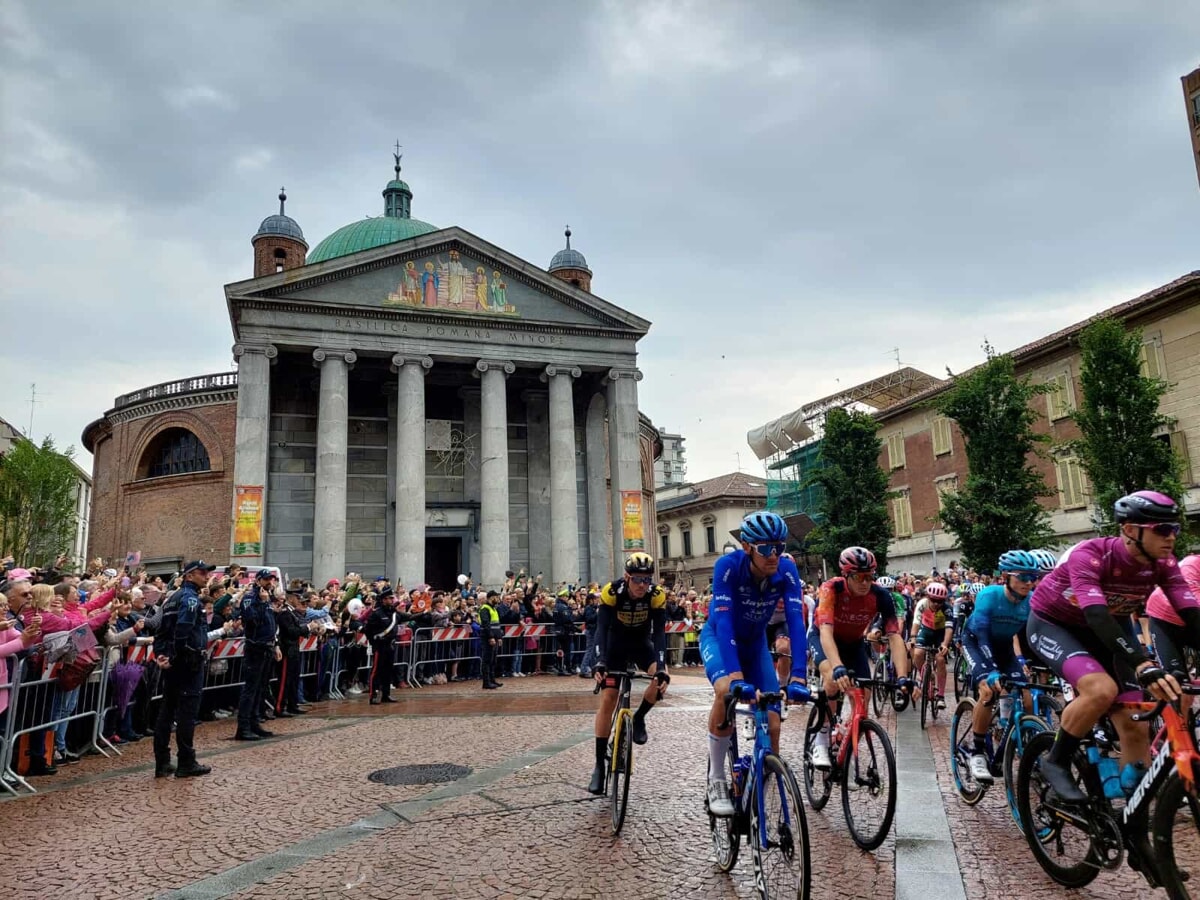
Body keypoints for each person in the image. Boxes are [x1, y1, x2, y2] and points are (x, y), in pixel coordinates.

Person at [1026, 491, 1200, 802]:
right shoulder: (1091, 555)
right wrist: (1142, 663)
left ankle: (1134, 817)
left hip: (1112, 628)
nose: (1171, 537)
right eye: (1162, 529)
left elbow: (1192, 614)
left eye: (1175, 529)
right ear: (1131, 530)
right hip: (1056, 624)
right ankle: (1056, 761)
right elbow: (1096, 614)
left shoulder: (1164, 563)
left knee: (1136, 721)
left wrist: (1139, 662)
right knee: (1101, 690)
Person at [699, 512, 811, 816]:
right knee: (725, 691)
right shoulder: (728, 567)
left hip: (756, 644)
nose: (773, 554)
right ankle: (717, 779)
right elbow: (722, 621)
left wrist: (798, 678)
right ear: (747, 547)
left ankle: (766, 774)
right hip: (721, 638)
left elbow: (796, 624)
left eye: (779, 546)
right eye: (765, 548)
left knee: (773, 721)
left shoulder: (786, 570)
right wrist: (735, 676)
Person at [809, 546, 910, 770]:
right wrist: (836, 667)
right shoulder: (831, 588)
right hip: (824, 638)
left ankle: (846, 732)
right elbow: (825, 632)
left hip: (853, 643)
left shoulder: (880, 595)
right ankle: (821, 738)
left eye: (869, 576)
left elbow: (894, 636)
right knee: (832, 681)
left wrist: (903, 677)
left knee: (863, 697)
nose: (865, 582)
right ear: (846, 575)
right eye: (859, 577)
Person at [587, 553, 671, 795]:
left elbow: (659, 636)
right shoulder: (611, 592)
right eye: (637, 580)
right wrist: (600, 662)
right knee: (609, 699)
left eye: (647, 580)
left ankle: (639, 717)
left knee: (661, 679)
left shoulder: (656, 596)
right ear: (627, 577)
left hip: (641, 644)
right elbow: (600, 630)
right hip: (614, 646)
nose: (642, 585)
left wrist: (662, 667)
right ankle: (599, 766)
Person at [959, 550, 1041, 782]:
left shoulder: (1032, 601)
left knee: (1025, 695)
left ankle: (1022, 744)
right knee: (988, 689)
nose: (1029, 582)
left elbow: (1037, 633)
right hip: (976, 642)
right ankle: (976, 753)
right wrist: (992, 670)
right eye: (1023, 577)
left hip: (1004, 647)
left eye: (1033, 577)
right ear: (1006, 575)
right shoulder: (989, 595)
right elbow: (982, 633)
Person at [152, 560, 215, 778]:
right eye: (201, 573)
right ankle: (186, 762)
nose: (206, 577)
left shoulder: (171, 599)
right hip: (187, 662)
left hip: (174, 660)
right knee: (186, 713)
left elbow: (159, 629)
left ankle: (162, 762)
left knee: (167, 711)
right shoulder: (189, 599)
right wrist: (176, 657)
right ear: (189, 576)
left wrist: (161, 654)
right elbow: (183, 630)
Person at [233, 569, 280, 742]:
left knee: (261, 687)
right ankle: (243, 727)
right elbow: (252, 620)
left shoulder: (266, 598)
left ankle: (254, 723)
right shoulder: (251, 598)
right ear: (259, 580)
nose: (270, 582)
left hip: (267, 647)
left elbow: (270, 623)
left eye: (272, 579)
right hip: (255, 648)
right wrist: (261, 603)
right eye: (267, 579)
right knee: (250, 689)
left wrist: (275, 644)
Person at [908, 580, 953, 710]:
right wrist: (912, 638)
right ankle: (926, 676)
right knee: (917, 653)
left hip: (941, 633)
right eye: (933, 600)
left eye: (940, 601)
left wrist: (945, 644)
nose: (936, 604)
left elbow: (949, 629)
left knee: (940, 659)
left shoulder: (947, 609)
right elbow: (916, 622)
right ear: (928, 597)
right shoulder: (922, 604)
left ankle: (941, 696)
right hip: (926, 630)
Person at [364, 586, 403, 704]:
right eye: (390, 598)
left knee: (388, 670)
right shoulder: (376, 614)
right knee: (376, 671)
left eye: (392, 598)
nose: (392, 600)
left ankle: (386, 694)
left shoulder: (393, 612)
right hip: (380, 645)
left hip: (390, 645)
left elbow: (406, 617)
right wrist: (373, 643)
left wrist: (423, 614)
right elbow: (368, 630)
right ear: (384, 600)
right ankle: (373, 695)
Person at [478, 590, 504, 690]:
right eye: (495, 597)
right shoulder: (485, 609)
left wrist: (499, 637)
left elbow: (497, 625)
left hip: (494, 638)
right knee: (487, 660)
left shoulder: (494, 609)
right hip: (488, 637)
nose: (497, 599)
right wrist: (491, 637)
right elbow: (486, 624)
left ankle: (492, 680)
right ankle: (486, 682)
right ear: (490, 598)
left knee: (493, 660)